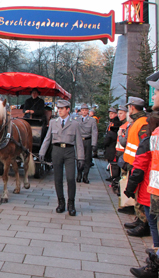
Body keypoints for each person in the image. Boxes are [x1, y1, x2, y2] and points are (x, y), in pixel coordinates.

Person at [127, 80, 159, 277]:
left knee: (154, 223)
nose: (153, 96)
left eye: (156, 92)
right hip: (152, 185)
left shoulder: (146, 124)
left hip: (151, 183)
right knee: (153, 224)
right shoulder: (150, 126)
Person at [39, 100, 84, 216]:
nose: (59, 110)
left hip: (69, 151)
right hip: (57, 151)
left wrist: (81, 158)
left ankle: (71, 204)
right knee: (58, 179)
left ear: (68, 109)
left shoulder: (74, 124)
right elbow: (47, 138)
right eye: (58, 108)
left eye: (62, 108)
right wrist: (42, 152)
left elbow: (79, 142)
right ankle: (61, 203)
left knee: (70, 178)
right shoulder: (53, 122)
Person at [124, 97, 152, 237]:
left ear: (132, 108)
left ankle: (144, 223)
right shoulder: (137, 121)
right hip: (133, 162)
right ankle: (139, 218)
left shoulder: (143, 123)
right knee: (136, 192)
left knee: (140, 192)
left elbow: (144, 144)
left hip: (138, 163)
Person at [77, 104, 98, 184]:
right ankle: (79, 174)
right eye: (83, 110)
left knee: (87, 159)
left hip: (87, 140)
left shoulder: (92, 120)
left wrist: (94, 144)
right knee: (79, 158)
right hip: (79, 140)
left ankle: (85, 176)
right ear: (81, 111)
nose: (84, 111)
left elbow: (94, 132)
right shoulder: (77, 119)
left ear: (88, 111)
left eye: (86, 110)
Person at [104, 107, 122, 193]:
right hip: (111, 144)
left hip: (113, 145)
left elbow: (112, 134)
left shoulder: (116, 123)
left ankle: (114, 177)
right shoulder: (112, 122)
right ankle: (112, 176)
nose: (110, 115)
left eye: (112, 113)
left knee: (113, 162)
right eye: (109, 113)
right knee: (111, 162)